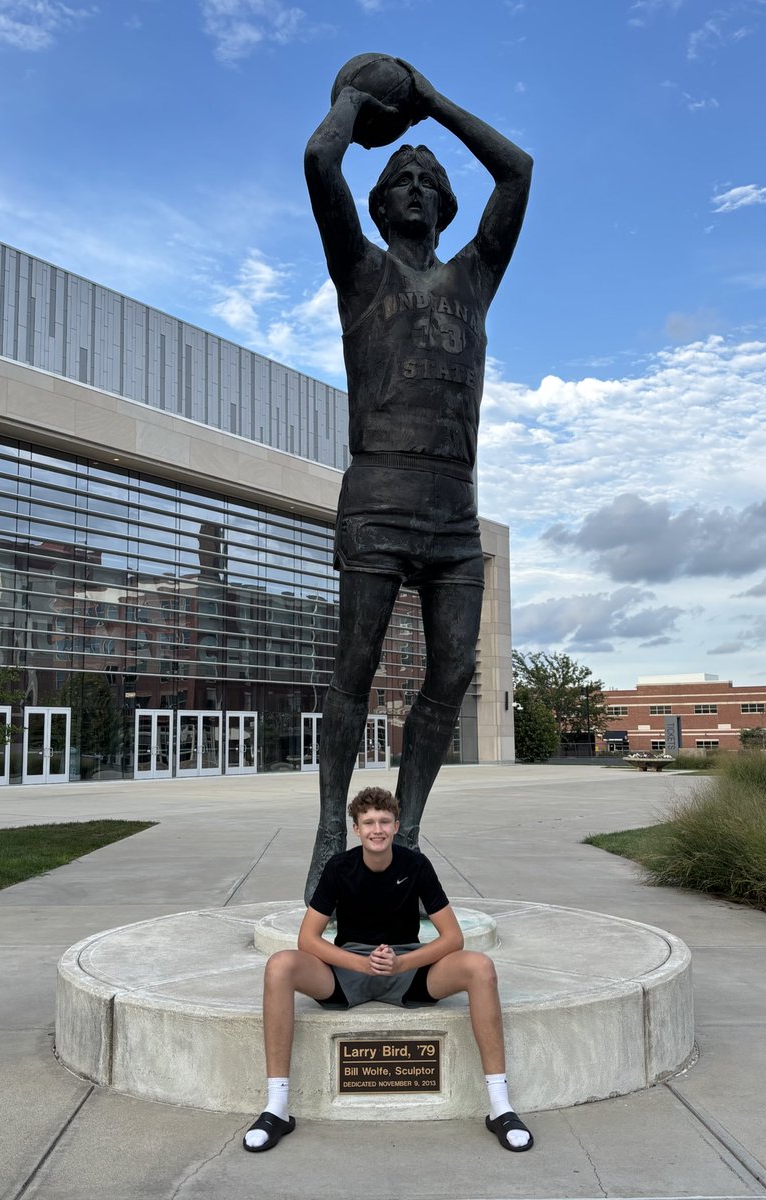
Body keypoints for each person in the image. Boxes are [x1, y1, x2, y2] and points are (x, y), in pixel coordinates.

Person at [303, 61, 532, 903]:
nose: (411, 185)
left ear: (442, 204)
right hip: (376, 496)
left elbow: (519, 171)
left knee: (451, 675)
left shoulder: (474, 277)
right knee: (354, 667)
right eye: (399, 177)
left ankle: (408, 824)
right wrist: (357, 103)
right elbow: (321, 163)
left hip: (452, 511)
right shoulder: (360, 273)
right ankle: (333, 824)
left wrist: (430, 101)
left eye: (424, 180)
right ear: (380, 204)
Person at [243, 786, 533, 1153]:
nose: (376, 829)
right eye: (368, 822)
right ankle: (277, 1107)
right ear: (356, 828)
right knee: (279, 965)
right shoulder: (339, 867)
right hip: (349, 968)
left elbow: (453, 937)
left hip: (407, 966)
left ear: (396, 826)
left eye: (384, 821)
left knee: (481, 967)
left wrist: (404, 961)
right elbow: (308, 940)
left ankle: (500, 1106)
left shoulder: (415, 865)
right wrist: (360, 962)